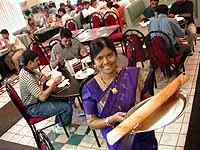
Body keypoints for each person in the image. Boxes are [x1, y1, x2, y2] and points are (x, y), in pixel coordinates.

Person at [81, 37, 157, 150]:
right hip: (119, 140)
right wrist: (110, 119)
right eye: (100, 58)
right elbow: (92, 122)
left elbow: (149, 101)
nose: (106, 61)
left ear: (116, 55)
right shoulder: (90, 88)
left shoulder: (133, 74)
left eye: (109, 55)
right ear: (94, 62)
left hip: (143, 133)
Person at [19, 50, 74, 134]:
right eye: (36, 60)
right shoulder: (28, 78)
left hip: (37, 100)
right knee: (67, 107)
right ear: (30, 63)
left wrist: (42, 78)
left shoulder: (27, 69)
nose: (39, 62)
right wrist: (54, 84)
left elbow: (43, 78)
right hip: (33, 107)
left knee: (64, 98)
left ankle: (59, 122)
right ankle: (61, 127)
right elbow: (42, 97)